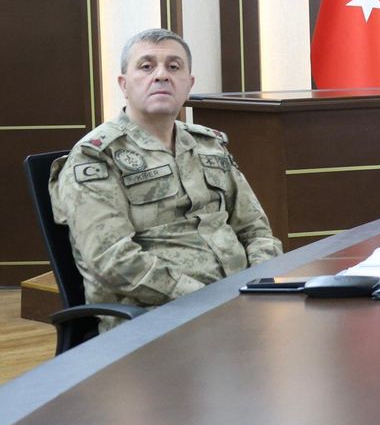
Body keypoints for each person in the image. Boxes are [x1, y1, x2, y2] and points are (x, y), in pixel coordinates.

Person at [50, 28, 282, 327]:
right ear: (124, 84)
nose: (161, 75)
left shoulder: (207, 145)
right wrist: (209, 300)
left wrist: (260, 284)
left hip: (238, 306)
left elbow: (255, 229)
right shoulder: (96, 156)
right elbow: (113, 260)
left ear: (189, 84)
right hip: (157, 319)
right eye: (146, 66)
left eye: (173, 67)